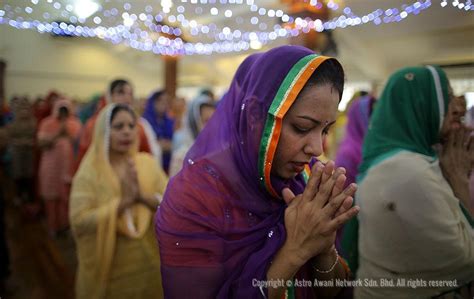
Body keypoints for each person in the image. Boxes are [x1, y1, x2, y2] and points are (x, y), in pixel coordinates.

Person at [155, 45, 360, 299]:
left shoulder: (308, 179)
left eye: (325, 129)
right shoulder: (194, 195)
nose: (317, 149)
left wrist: (324, 247)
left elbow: (335, 290)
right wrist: (295, 250)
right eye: (302, 127)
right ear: (254, 114)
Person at [343, 66, 474, 298]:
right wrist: (459, 180)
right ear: (423, 105)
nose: (454, 106)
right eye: (446, 96)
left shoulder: (417, 161)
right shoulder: (406, 171)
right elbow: (464, 261)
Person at [70, 104, 167, 299]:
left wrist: (142, 198)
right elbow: (79, 221)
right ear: (103, 132)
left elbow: (172, 206)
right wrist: (122, 203)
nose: (127, 132)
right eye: (118, 126)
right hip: (111, 268)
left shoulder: (147, 163)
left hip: (150, 262)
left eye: (132, 126)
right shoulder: (90, 172)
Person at [75, 79, 157, 171]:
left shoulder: (139, 125)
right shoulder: (94, 124)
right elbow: (84, 156)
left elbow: (146, 155)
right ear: (109, 96)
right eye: (121, 92)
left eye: (130, 94)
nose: (127, 98)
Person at [38, 99, 82, 236]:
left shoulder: (75, 123)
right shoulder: (47, 123)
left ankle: (66, 226)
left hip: (69, 165)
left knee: (67, 197)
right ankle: (53, 226)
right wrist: (58, 134)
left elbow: (80, 144)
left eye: (65, 109)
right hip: (51, 166)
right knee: (51, 196)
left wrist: (67, 133)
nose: (63, 112)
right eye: (61, 109)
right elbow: (41, 143)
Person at [169, 95, 216, 177]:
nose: (212, 125)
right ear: (194, 123)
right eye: (206, 121)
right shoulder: (181, 157)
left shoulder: (220, 153)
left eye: (215, 120)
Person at [7, 97, 37, 204]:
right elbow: (10, 137)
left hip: (29, 151)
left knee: (29, 174)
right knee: (18, 174)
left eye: (26, 109)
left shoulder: (33, 122)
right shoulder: (13, 123)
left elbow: (34, 136)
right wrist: (20, 142)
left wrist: (28, 142)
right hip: (17, 152)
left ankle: (28, 197)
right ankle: (18, 196)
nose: (24, 112)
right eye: (21, 109)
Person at [142, 90, 174, 174]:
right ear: (153, 102)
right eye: (161, 100)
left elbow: (173, 143)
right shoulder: (144, 121)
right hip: (150, 164)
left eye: (167, 101)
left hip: (169, 164)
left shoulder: (170, 121)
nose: (164, 104)